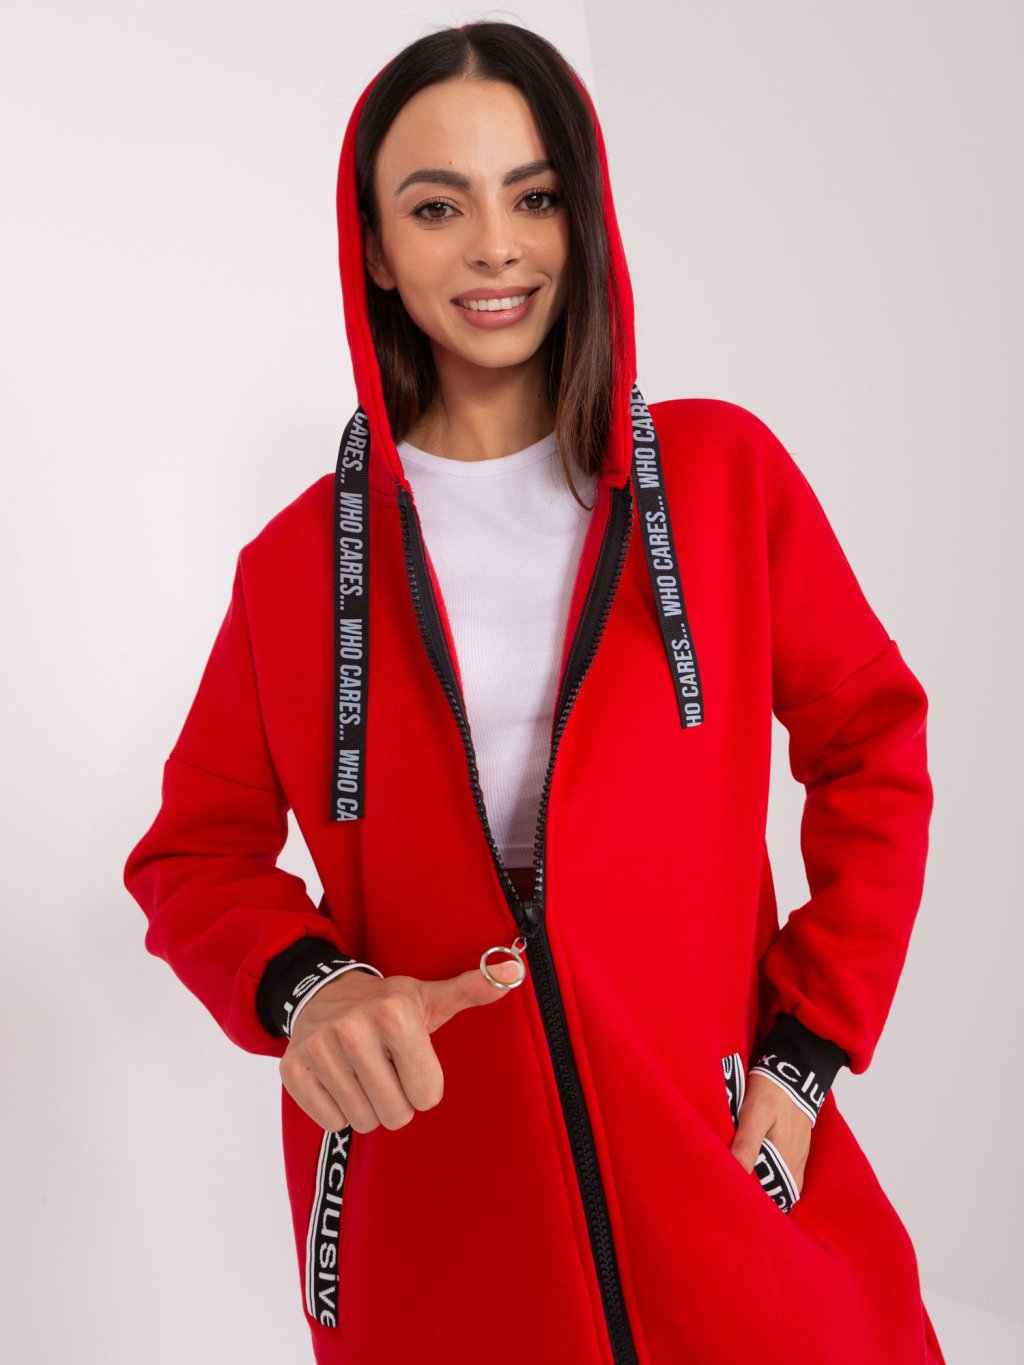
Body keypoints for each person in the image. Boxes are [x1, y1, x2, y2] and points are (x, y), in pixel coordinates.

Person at [123, 20, 945, 1365]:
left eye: (535, 195)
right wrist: (312, 990)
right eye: (437, 207)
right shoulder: (295, 567)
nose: (496, 247)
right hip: (441, 1216)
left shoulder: (723, 479)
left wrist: (804, 1054)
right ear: (375, 249)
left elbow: (872, 746)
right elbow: (193, 853)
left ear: (585, 213)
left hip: (716, 1165)